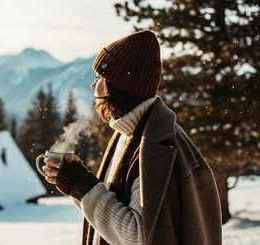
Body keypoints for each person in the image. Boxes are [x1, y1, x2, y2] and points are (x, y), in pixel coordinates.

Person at [42, 30, 222, 245]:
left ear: (118, 87)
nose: (93, 86)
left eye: (100, 78)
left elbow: (137, 235)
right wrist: (76, 184)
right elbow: (111, 217)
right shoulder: (131, 133)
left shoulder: (155, 148)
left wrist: (82, 184)